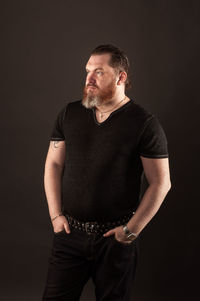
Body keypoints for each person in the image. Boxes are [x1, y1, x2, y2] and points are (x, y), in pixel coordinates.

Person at [42, 44, 171, 301]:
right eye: (88, 71)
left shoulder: (144, 123)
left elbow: (161, 183)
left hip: (115, 239)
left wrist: (131, 230)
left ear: (120, 77)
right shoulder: (70, 114)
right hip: (70, 235)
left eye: (98, 72)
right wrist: (56, 215)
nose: (88, 79)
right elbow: (54, 165)